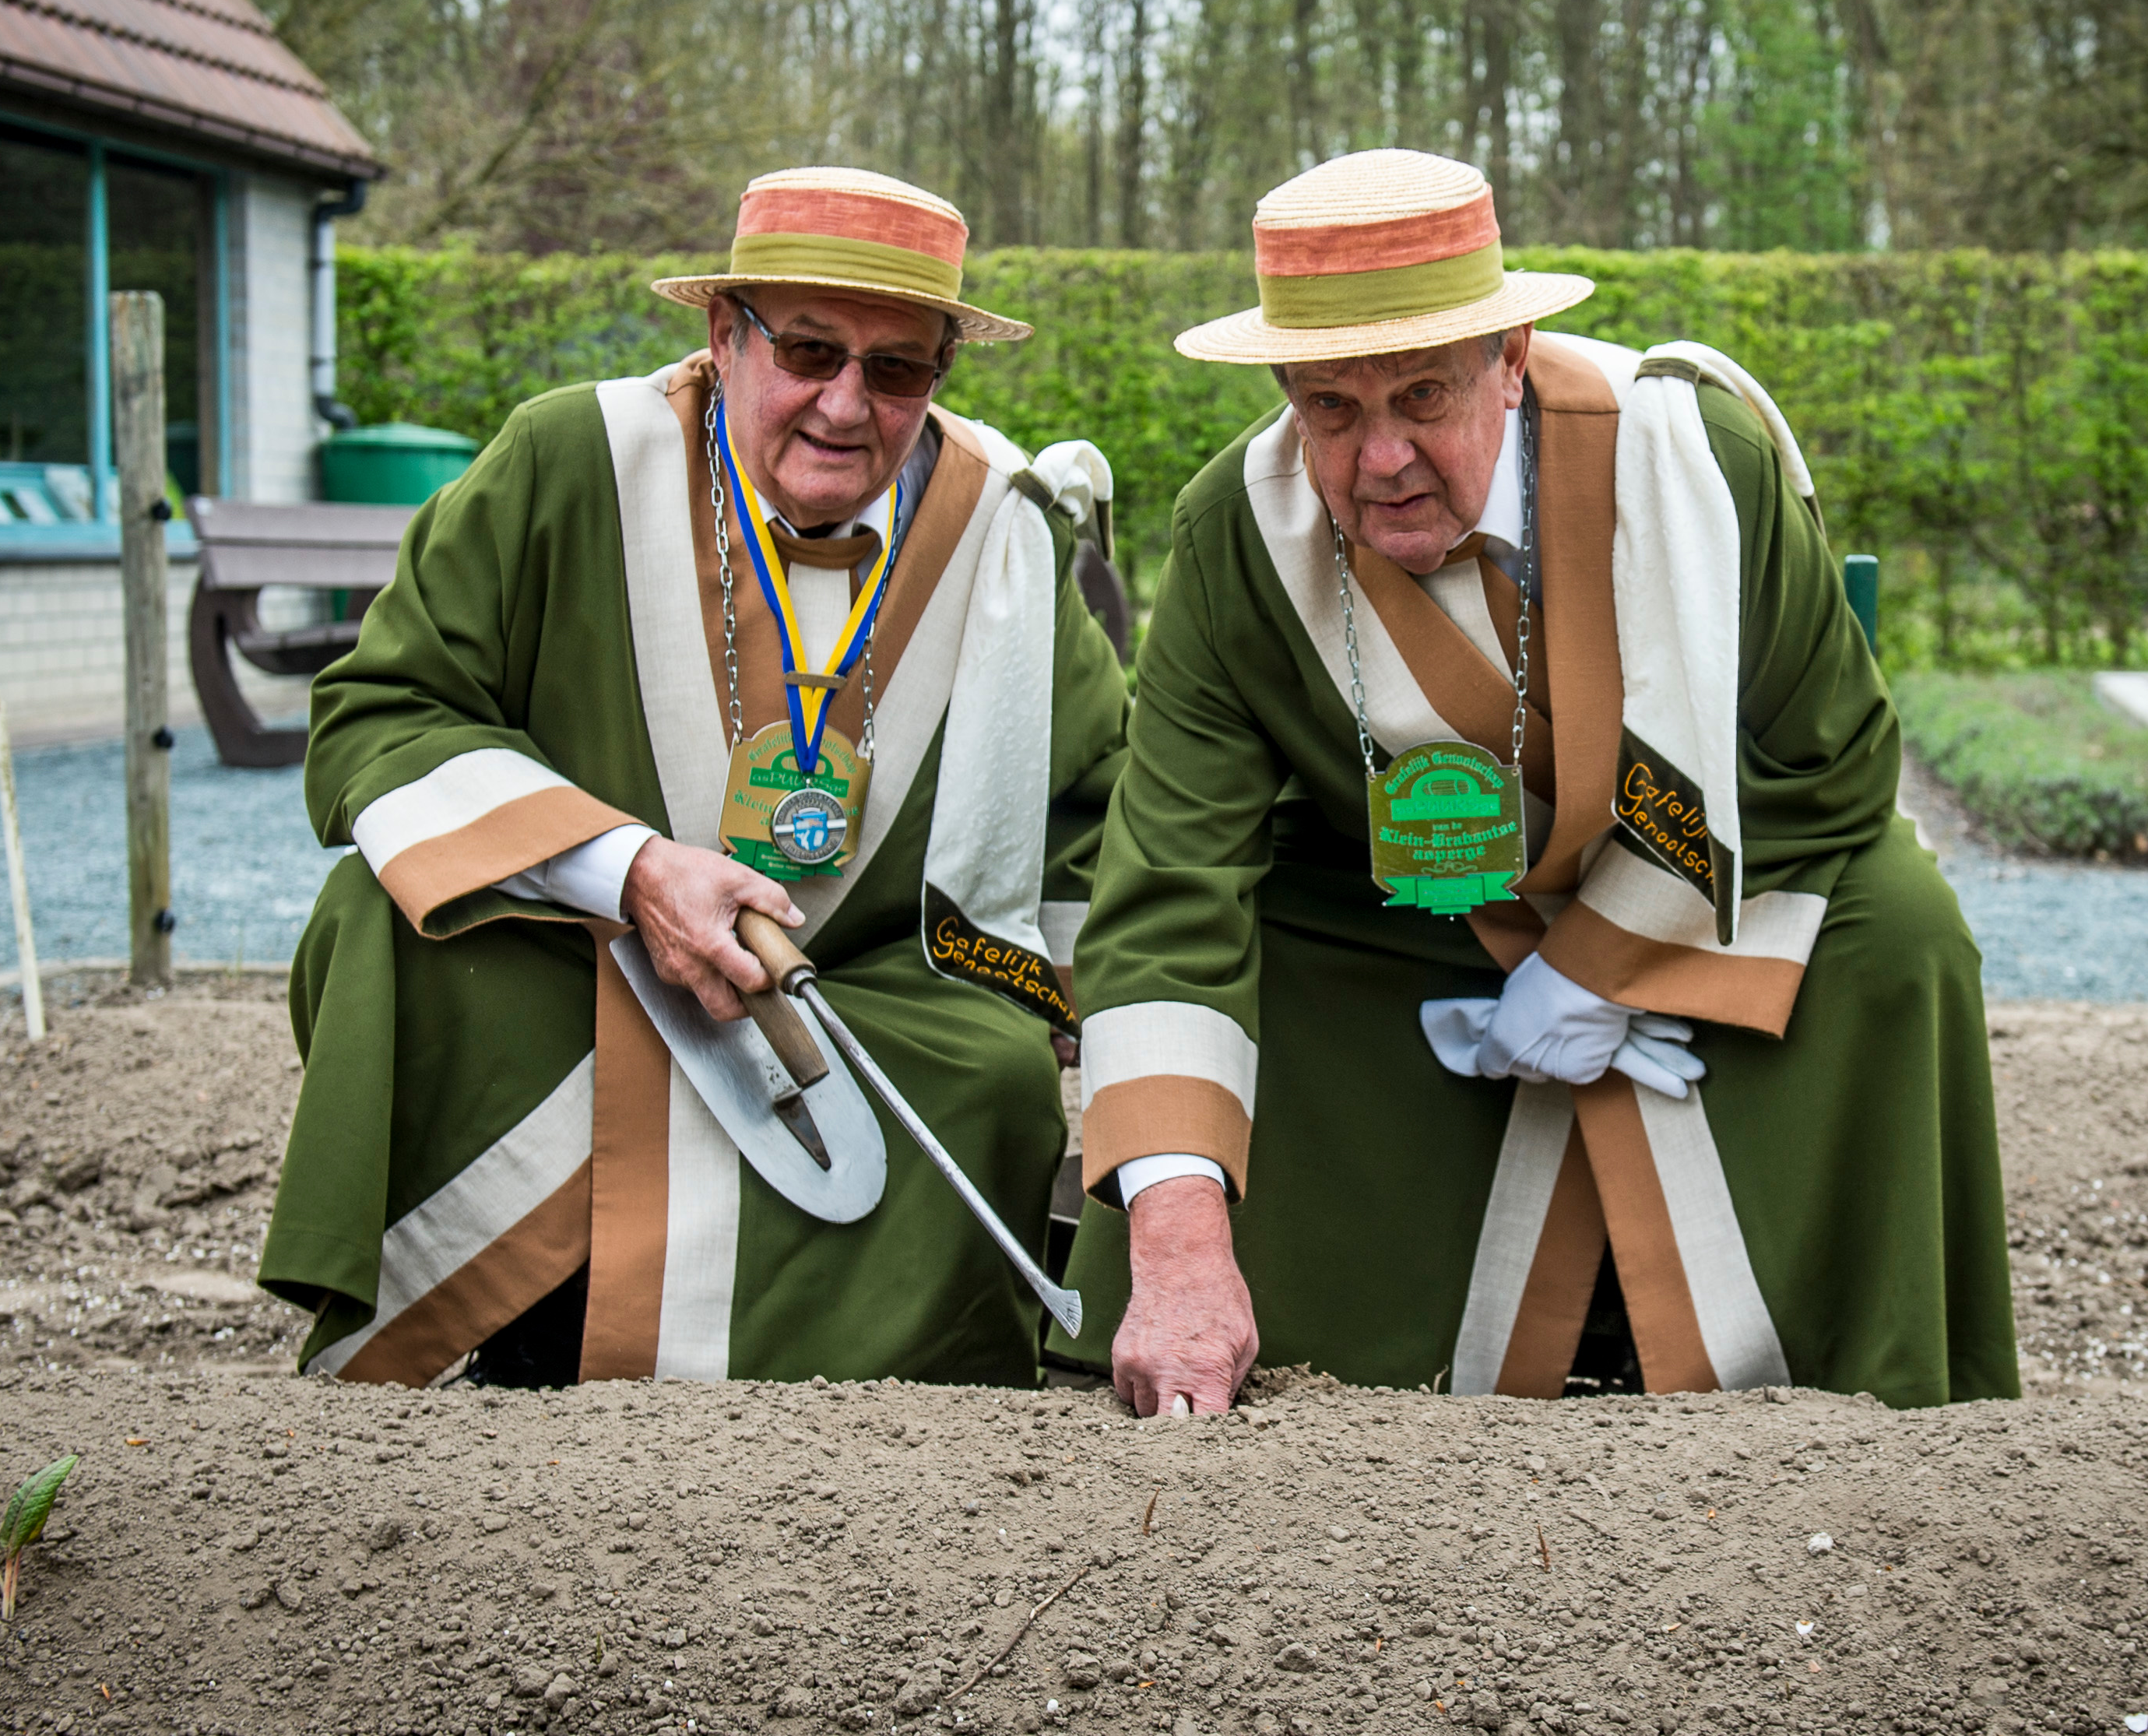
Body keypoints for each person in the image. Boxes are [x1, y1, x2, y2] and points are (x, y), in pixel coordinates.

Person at [1056, 148, 2016, 1413]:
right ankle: (1301, 1329)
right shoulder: (1232, 535)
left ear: (1510, 357)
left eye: (1421, 395)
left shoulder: (1695, 463)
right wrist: (1174, 1238)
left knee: (1904, 931)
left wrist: (1595, 961)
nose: (1381, 456)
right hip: (1426, 933)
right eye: (1331, 408)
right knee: (1271, 949)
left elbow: (1828, 766)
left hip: (1708, 889)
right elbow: (1171, 886)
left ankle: (1872, 1370)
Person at [262, 167, 1128, 1388]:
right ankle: (527, 1321)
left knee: (987, 1069)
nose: (846, 404)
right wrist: (628, 870)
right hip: (587, 954)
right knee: (386, 926)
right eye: (811, 349)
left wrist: (1122, 1029)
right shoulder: (567, 461)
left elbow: (1098, 812)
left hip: (856, 996)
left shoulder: (1004, 535)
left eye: (897, 369)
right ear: (725, 336)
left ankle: (848, 1410)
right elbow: (380, 711)